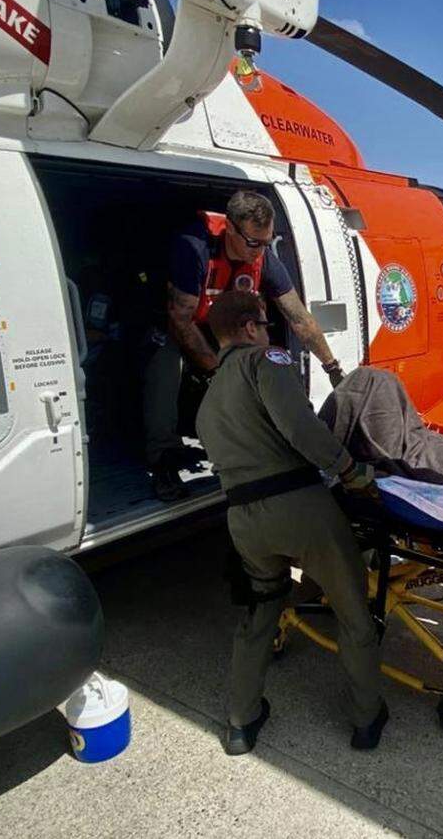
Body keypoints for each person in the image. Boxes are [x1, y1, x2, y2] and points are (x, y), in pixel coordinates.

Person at [194, 290, 388, 755]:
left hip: (244, 522)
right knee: (352, 611)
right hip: (299, 508)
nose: (267, 332)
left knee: (261, 611)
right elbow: (301, 428)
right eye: (264, 324)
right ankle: (366, 719)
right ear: (247, 328)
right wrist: (351, 471)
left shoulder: (208, 398)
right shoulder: (266, 362)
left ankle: (240, 723)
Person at [144, 190, 346, 500]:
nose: (259, 252)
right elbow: (180, 319)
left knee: (263, 357)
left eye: (266, 242)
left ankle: (264, 443)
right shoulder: (193, 247)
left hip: (219, 328)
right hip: (179, 325)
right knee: (165, 363)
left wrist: (333, 368)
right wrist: (220, 371)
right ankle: (163, 456)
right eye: (253, 243)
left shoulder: (263, 257)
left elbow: (299, 317)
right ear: (230, 229)